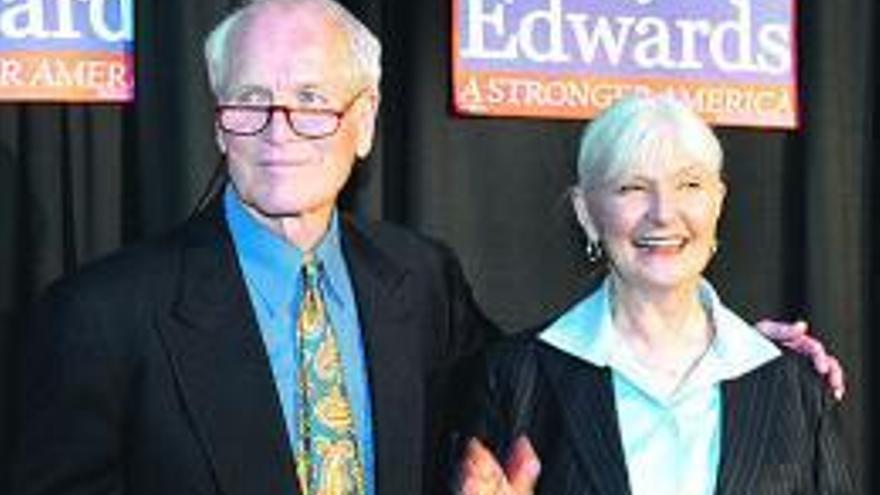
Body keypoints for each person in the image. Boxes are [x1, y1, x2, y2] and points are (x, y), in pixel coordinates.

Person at [7, 2, 843, 494]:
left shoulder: (418, 279)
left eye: (311, 100)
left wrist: (722, 345)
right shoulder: (101, 318)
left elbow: (547, 378)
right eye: (249, 101)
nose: (279, 132)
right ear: (218, 117)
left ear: (365, 122)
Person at [456, 95, 855, 495]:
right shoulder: (516, 378)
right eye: (632, 187)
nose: (663, 212)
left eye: (690, 185)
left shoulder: (794, 385)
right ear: (586, 213)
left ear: (717, 203)